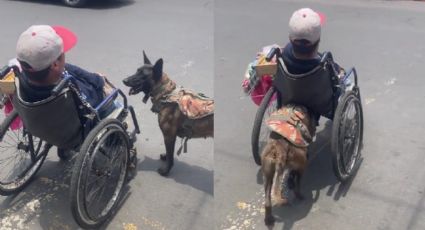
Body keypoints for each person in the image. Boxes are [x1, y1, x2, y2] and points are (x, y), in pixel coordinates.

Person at [14, 25, 112, 107]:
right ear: (55, 64)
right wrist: (99, 81)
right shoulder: (68, 92)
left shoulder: (23, 80)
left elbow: (69, 68)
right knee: (110, 95)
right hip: (89, 106)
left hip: (40, 120)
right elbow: (92, 102)